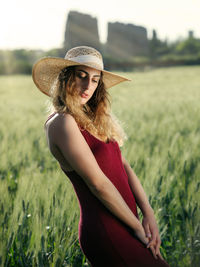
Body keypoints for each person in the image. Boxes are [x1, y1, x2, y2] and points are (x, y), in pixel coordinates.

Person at [32, 46, 170, 267]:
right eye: (82, 76)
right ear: (67, 77)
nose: (89, 86)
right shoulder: (62, 123)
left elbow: (123, 165)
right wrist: (136, 228)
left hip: (129, 222)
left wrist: (148, 213)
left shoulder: (92, 117)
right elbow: (98, 184)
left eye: (95, 80)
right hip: (107, 230)